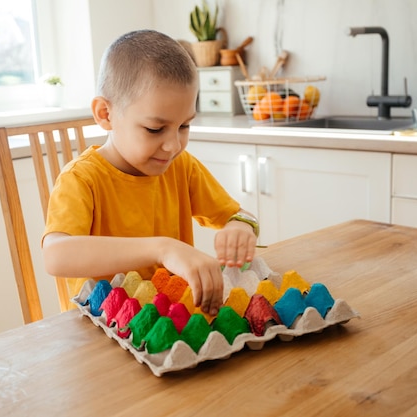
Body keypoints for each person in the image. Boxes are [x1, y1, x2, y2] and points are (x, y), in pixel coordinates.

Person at [42, 29, 258, 316]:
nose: (173, 145)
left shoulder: (182, 167)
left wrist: (240, 228)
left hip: (173, 324)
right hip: (103, 335)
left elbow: (241, 216)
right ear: (105, 114)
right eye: (155, 129)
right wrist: (162, 249)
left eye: (184, 126)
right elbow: (56, 256)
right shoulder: (82, 180)